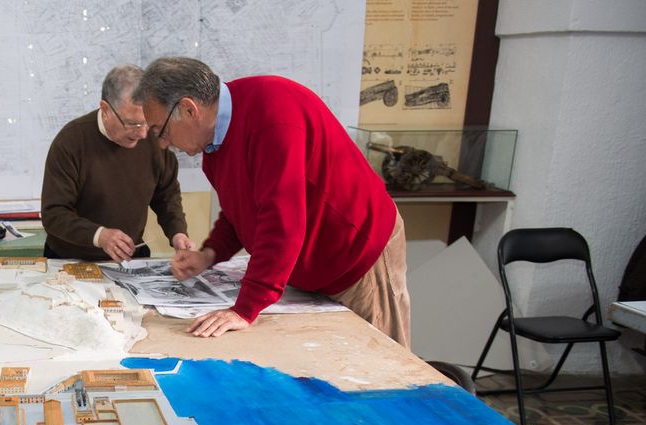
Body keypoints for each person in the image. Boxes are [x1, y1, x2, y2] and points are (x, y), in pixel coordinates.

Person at [134, 57, 410, 346]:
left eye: (161, 131)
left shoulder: (271, 116)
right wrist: (209, 254)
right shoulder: (214, 143)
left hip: (358, 256)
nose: (163, 143)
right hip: (313, 271)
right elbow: (241, 211)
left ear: (189, 110)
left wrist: (245, 309)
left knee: (380, 363)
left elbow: (282, 222)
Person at [42, 65, 192, 263]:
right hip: (71, 259)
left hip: (129, 259)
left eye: (146, 122)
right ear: (105, 109)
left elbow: (166, 194)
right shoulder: (71, 142)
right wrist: (100, 236)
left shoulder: (155, 137)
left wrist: (177, 232)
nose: (142, 133)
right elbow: (54, 213)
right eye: (132, 123)